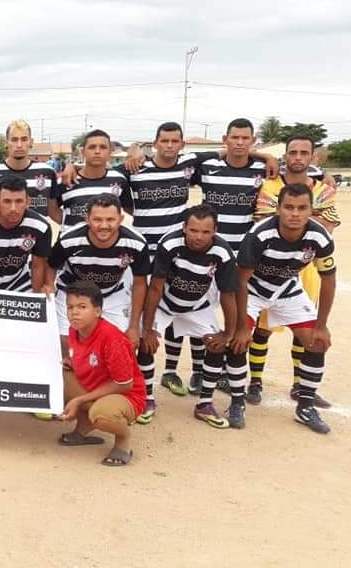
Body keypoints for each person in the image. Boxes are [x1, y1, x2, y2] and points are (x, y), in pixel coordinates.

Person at [119, 122, 279, 396]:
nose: (169, 146)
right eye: (164, 141)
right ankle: (164, 372)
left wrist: (268, 156)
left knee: (195, 305)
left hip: (195, 250)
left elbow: (229, 152)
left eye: (175, 141)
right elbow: (114, 188)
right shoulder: (135, 168)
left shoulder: (191, 163)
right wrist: (133, 153)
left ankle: (197, 372)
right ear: (155, 143)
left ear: (182, 145)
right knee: (163, 308)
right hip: (151, 254)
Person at [229, 184, 336, 433]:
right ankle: (236, 402)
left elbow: (328, 280)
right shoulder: (260, 235)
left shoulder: (320, 237)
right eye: (288, 207)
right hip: (253, 290)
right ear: (278, 209)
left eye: (301, 208)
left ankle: (305, 406)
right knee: (238, 340)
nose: (295, 214)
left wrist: (321, 326)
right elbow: (240, 281)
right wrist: (243, 326)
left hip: (287, 289)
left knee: (317, 342)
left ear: (311, 210)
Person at [247, 135, 339, 408]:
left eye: (304, 153)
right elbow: (264, 220)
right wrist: (311, 216)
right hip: (268, 266)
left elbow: (329, 225)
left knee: (303, 328)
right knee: (261, 329)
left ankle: (300, 385)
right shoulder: (270, 185)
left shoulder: (324, 188)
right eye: (293, 152)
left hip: (306, 267)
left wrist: (290, 217)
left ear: (313, 157)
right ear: (285, 156)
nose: (298, 157)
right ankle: (255, 382)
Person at [48, 194, 151, 419]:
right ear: (87, 219)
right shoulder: (68, 239)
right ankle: (71, 398)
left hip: (112, 294)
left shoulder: (136, 242)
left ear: (121, 219)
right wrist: (48, 288)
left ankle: (118, 398)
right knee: (67, 347)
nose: (104, 226)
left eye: (110, 220)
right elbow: (51, 266)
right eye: (97, 219)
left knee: (121, 344)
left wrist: (134, 325)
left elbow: (141, 283)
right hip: (73, 293)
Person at [140, 205, 238, 428]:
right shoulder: (170, 243)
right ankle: (146, 399)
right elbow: (155, 287)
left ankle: (204, 404)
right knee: (145, 344)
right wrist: (147, 328)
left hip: (196, 306)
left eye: (205, 232)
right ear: (184, 228)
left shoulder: (222, 252)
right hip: (165, 304)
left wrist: (228, 333)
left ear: (215, 231)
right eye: (193, 230)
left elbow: (228, 293)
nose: (198, 237)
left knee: (216, 345)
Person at [58, 280, 146, 467]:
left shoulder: (112, 339)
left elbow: (124, 384)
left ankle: (123, 440)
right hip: (97, 388)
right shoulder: (75, 331)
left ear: (97, 311)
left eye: (82, 307)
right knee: (57, 376)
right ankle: (83, 428)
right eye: (70, 307)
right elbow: (90, 357)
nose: (74, 312)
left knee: (103, 415)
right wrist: (71, 362)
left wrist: (79, 400)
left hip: (126, 395)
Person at [0, 176, 53, 293]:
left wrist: (36, 298)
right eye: (7, 201)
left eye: (19, 201)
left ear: (28, 202)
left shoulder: (41, 226)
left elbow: (38, 265)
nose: (13, 208)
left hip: (21, 284)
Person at [51, 129, 131, 233]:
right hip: (71, 245)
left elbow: (128, 208)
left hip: (106, 245)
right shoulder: (67, 179)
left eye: (103, 147)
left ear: (110, 152)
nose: (97, 151)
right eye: (92, 147)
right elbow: (52, 210)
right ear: (83, 151)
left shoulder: (119, 179)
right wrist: (70, 226)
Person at [0, 120, 60, 218]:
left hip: (36, 232)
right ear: (6, 142)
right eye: (14, 139)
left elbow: (54, 211)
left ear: (31, 142)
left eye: (24, 139)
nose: (19, 145)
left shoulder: (47, 172)